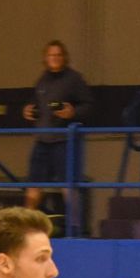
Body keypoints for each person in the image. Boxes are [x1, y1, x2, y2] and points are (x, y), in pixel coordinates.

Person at [22, 40, 94, 215]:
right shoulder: (42, 80)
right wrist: (29, 110)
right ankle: (26, 226)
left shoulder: (74, 79)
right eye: (51, 55)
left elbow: (89, 105)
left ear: (64, 57)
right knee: (33, 184)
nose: (54, 58)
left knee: (68, 186)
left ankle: (75, 229)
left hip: (64, 141)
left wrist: (72, 113)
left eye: (58, 55)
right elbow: (36, 103)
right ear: (45, 58)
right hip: (42, 139)